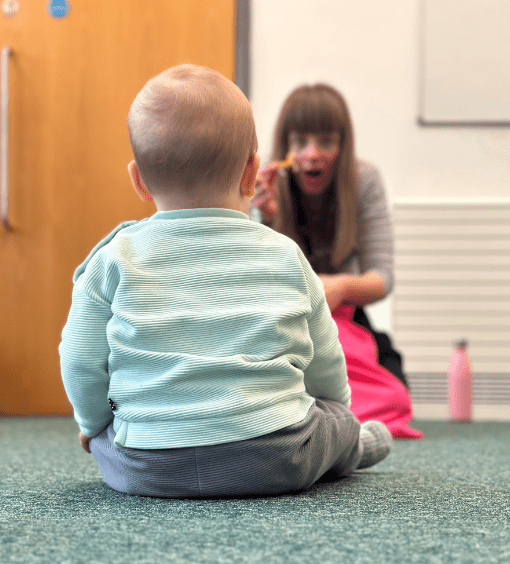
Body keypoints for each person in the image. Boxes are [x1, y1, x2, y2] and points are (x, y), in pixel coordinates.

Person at [59, 64, 393, 499]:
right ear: (251, 171)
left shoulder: (114, 259)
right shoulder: (285, 254)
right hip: (277, 457)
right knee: (334, 424)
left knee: (107, 439)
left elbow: (79, 358)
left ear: (138, 180)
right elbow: (325, 359)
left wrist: (92, 426)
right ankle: (353, 447)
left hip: (148, 466)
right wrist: (335, 411)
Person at [252, 83, 423, 439]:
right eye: (300, 143)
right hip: (288, 319)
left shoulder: (364, 181)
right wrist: (267, 219)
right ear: (285, 147)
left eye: (326, 142)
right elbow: (259, 279)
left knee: (395, 385)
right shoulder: (266, 188)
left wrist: (342, 286)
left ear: (343, 146)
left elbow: (382, 278)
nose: (312, 155)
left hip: (345, 320)